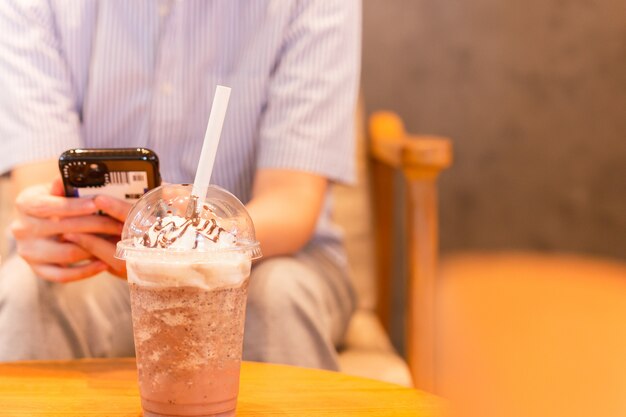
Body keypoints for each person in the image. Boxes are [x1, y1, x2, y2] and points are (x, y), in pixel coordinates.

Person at [0, 1, 360, 370]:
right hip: (98, 262)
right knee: (30, 295)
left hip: (268, 257)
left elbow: (291, 202)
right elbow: (43, 181)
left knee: (280, 296)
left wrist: (187, 244)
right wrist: (55, 223)